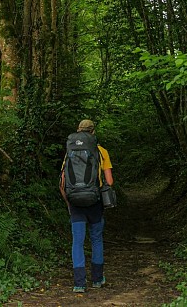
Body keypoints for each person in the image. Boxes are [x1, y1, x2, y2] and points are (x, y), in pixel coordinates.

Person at [59, 119, 114, 293]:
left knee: (78, 242)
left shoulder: (70, 151)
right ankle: (97, 280)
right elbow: (110, 181)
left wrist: (69, 201)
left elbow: (62, 182)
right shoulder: (101, 151)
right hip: (95, 202)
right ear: (93, 132)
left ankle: (79, 284)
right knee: (96, 239)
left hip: (75, 202)